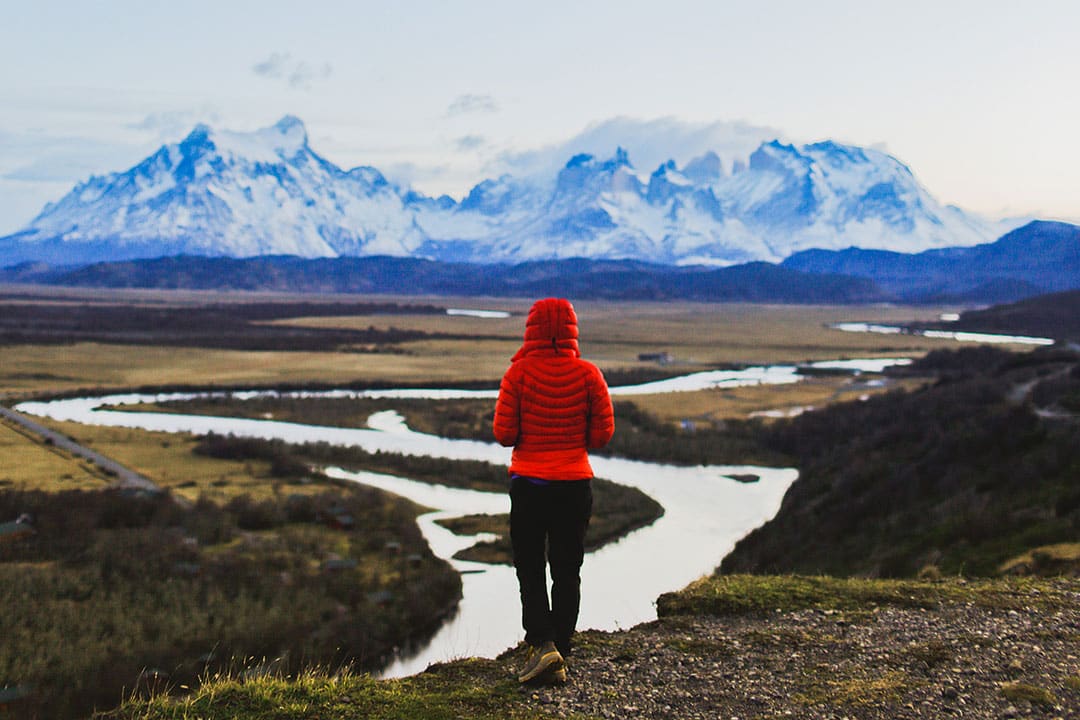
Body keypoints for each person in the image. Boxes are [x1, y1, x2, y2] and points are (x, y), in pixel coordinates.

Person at [493, 297, 615, 684]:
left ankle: (541, 643)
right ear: (572, 329)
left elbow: (503, 434)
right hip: (574, 485)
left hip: (529, 486)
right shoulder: (589, 375)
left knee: (529, 565)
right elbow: (602, 435)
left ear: (530, 329)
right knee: (567, 567)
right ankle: (561, 645)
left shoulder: (518, 375)